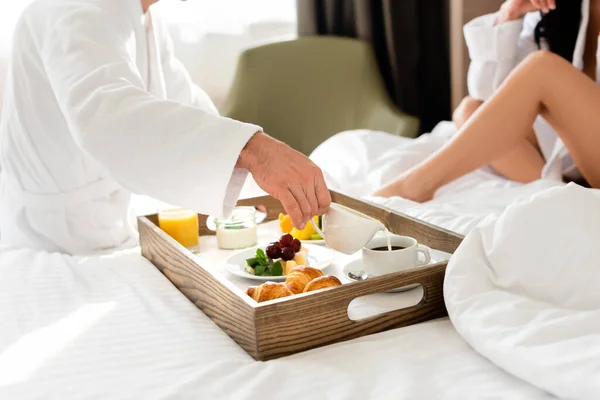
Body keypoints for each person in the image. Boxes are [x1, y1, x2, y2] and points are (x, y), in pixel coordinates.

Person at [0, 0, 331, 255]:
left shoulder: (142, 17)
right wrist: (253, 151)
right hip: (49, 242)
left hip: (109, 228)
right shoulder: (71, 7)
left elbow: (184, 103)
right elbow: (108, 118)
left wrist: (247, 184)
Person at [373, 0, 600, 201]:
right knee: (469, 110)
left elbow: (539, 74)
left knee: (543, 68)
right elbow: (491, 95)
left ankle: (417, 184)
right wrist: (510, 14)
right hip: (577, 160)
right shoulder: (561, 7)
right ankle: (557, 195)